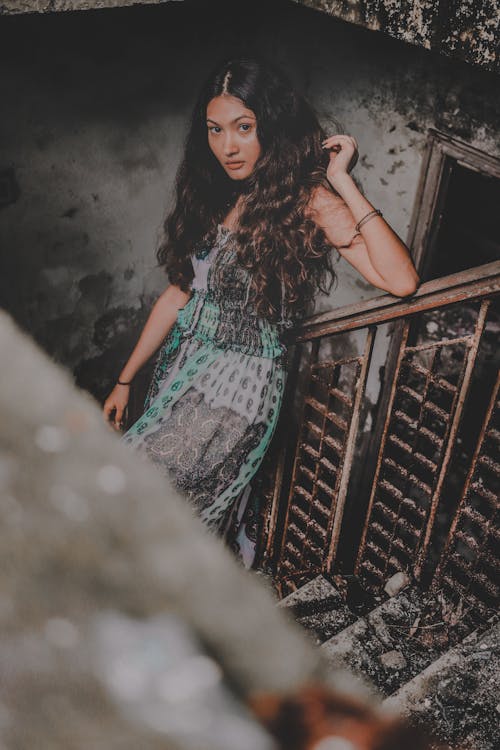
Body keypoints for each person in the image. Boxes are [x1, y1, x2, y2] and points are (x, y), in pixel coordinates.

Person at [102, 57, 420, 567]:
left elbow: (402, 281)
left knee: (142, 491)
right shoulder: (216, 192)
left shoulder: (308, 200)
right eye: (216, 130)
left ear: (270, 125)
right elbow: (179, 293)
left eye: (244, 128)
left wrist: (342, 181)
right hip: (185, 371)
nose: (228, 145)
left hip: (240, 386)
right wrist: (124, 380)